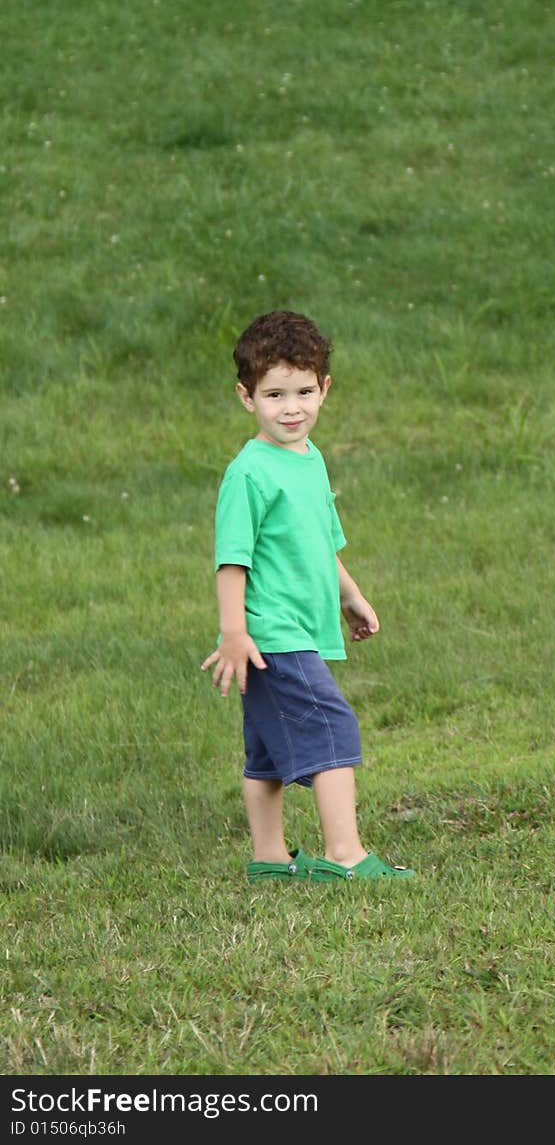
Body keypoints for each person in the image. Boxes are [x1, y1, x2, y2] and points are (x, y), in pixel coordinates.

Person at [200, 309, 413, 883]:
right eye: (274, 394)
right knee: (333, 726)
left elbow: (322, 543)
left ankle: (269, 860)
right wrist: (235, 632)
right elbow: (231, 561)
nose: (291, 407)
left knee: (268, 750)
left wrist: (351, 596)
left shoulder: (308, 458)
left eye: (302, 391)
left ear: (325, 388)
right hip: (271, 631)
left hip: (296, 626)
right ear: (247, 398)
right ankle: (345, 856)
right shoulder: (249, 474)